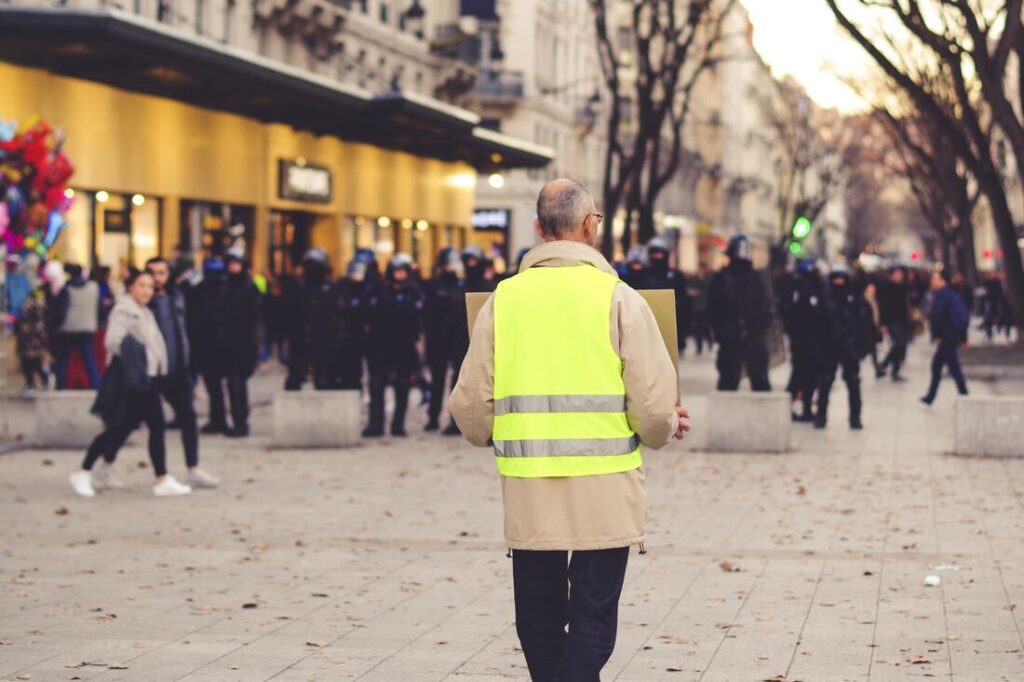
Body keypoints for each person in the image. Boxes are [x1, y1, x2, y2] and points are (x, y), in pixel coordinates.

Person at [450, 179, 690, 681]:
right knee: (592, 622)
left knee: (537, 625)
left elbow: (471, 410)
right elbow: (651, 409)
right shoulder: (620, 299)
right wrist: (666, 423)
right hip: (606, 487)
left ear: (538, 228)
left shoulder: (504, 301)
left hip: (530, 488)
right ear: (590, 225)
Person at [69, 269, 192, 497]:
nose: (147, 290)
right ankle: (84, 471)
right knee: (125, 427)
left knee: (133, 427)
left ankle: (115, 469)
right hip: (132, 380)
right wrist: (139, 354)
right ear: (131, 288)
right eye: (142, 285)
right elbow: (112, 341)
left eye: (150, 286)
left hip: (147, 379)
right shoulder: (124, 311)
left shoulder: (143, 311)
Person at [145, 258, 219, 488]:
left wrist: (191, 365)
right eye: (153, 273)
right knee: (138, 424)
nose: (158, 278)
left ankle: (193, 467)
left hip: (178, 369)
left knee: (188, 417)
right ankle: (102, 464)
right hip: (151, 371)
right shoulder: (142, 302)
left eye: (162, 273)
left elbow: (188, 328)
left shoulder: (177, 295)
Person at [363, 253, 424, 437]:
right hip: (381, 345)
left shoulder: (413, 292)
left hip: (404, 345)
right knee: (377, 386)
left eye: (402, 271)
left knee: (402, 385)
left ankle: (398, 424)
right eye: (396, 271)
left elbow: (419, 319)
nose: (399, 275)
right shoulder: (380, 291)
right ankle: (376, 423)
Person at [707, 235, 774, 391]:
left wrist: (760, 326)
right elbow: (713, 308)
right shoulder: (722, 279)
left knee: (759, 380)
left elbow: (766, 307)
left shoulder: (756, 278)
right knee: (728, 379)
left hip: (753, 335)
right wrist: (720, 331)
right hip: (731, 335)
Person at [815, 266, 873, 430]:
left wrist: (860, 348)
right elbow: (818, 325)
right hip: (829, 347)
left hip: (849, 347)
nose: (838, 283)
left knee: (853, 382)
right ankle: (821, 416)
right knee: (825, 382)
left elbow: (863, 324)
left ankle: (855, 418)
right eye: (836, 280)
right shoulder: (826, 301)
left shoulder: (853, 300)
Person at [423, 247, 468, 434]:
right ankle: (433, 417)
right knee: (437, 381)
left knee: (457, 381)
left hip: (457, 339)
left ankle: (454, 420)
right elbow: (426, 315)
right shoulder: (433, 286)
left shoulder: (462, 286)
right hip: (437, 340)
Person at [284, 249, 340, 390]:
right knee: (296, 374)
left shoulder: (330, 288)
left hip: (323, 335)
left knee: (324, 374)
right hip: (302, 335)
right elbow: (290, 313)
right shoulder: (298, 288)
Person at [782, 260, 827, 422]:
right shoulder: (804, 292)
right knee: (801, 377)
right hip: (804, 343)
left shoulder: (804, 290)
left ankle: (806, 409)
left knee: (808, 377)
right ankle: (787, 407)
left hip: (807, 342)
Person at [920, 269, 970, 405]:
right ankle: (930, 396)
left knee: (953, 367)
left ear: (942, 280)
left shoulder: (943, 296)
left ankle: (964, 394)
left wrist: (938, 335)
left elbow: (938, 318)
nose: (932, 281)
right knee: (938, 366)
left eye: (935, 279)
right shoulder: (949, 295)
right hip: (949, 336)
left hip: (947, 337)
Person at [52, 263, 102, 389]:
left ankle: (61, 386)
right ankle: (96, 385)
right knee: (89, 360)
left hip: (68, 329)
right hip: (88, 327)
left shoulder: (67, 289)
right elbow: (100, 308)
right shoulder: (94, 287)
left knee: (63, 360)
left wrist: (55, 326)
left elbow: (60, 311)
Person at [645, 236, 691, 355]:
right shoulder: (644, 275)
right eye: (654, 253)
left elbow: (685, 303)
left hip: (672, 325)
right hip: (648, 326)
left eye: (659, 253)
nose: (657, 257)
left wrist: (682, 334)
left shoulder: (676, 276)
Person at [876, 266, 910, 381]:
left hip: (903, 320)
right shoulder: (887, 288)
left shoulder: (903, 287)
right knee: (899, 343)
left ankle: (895, 371)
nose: (899, 275)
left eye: (900, 273)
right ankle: (884, 364)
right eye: (897, 273)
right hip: (892, 321)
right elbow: (883, 307)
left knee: (901, 345)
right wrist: (883, 324)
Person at [16, 285, 49, 393]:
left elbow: (39, 325)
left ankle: (35, 383)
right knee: (28, 362)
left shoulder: (38, 306)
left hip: (33, 341)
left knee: (33, 362)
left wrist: (27, 328)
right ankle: (32, 383)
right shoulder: (31, 306)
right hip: (28, 341)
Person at [689, 263, 713, 355]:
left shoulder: (709, 278)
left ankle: (709, 340)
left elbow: (711, 290)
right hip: (696, 306)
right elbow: (688, 288)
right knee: (697, 327)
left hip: (706, 306)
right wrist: (691, 292)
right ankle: (699, 346)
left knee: (705, 326)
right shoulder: (694, 279)